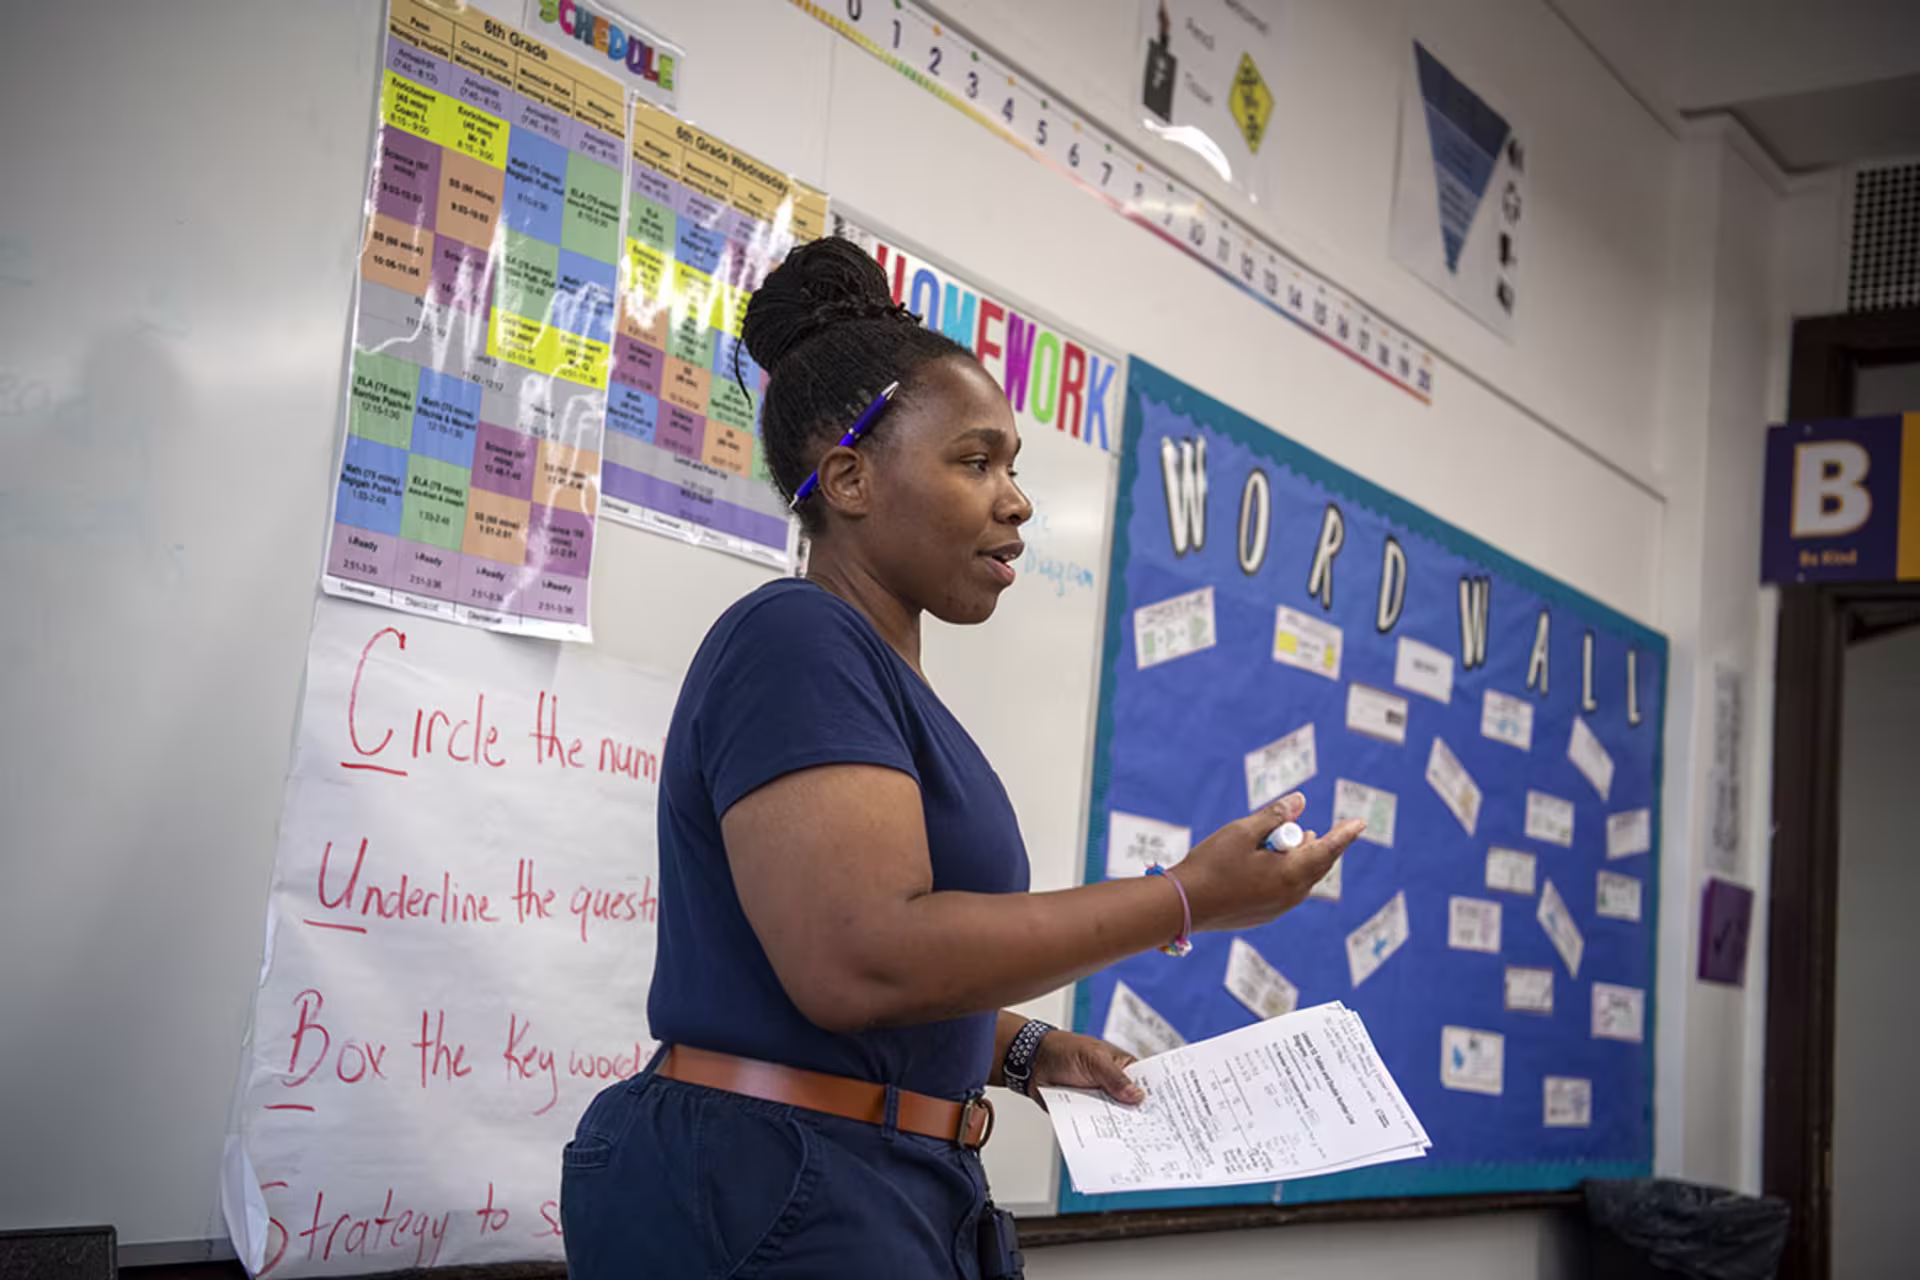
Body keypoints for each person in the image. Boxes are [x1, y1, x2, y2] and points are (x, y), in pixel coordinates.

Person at [559, 236, 1365, 1279]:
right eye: (976, 460)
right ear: (848, 477)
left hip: (872, 1182)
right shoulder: (796, 638)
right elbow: (861, 958)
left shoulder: (871, 672)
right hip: (781, 1189)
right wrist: (1185, 898)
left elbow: (836, 983)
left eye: (1015, 465)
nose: (1017, 498)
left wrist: (1022, 1049)